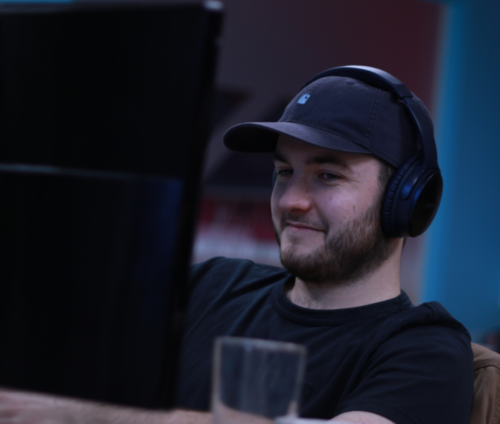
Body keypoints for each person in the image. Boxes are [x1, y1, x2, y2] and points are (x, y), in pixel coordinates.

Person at [0, 67, 473, 424]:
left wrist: (77, 414)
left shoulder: (425, 350)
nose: (291, 200)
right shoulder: (211, 285)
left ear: (407, 201)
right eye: (284, 172)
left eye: (327, 175)